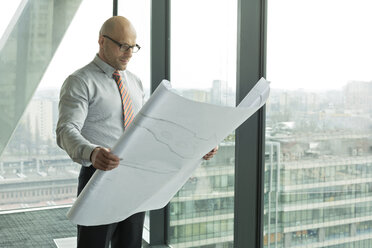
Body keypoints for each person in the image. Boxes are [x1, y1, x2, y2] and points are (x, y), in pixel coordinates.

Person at [56, 16, 218, 248]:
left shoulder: (134, 82)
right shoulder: (80, 81)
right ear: (101, 41)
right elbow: (65, 130)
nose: (129, 53)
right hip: (98, 175)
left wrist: (197, 146)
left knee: (131, 244)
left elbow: (150, 131)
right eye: (123, 45)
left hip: (133, 179)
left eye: (133, 47)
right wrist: (92, 153)